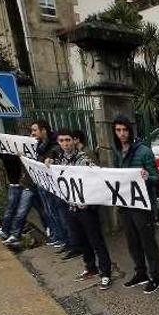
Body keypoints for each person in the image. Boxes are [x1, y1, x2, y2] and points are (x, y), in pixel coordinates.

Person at [49, 128, 113, 289]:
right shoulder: (59, 160)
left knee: (96, 241)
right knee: (82, 241)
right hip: (71, 208)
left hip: (87, 209)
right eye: (62, 141)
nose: (65, 144)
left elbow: (96, 179)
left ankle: (105, 273)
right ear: (58, 142)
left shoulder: (84, 159)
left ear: (74, 141)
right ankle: (91, 267)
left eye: (68, 140)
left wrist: (90, 200)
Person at [111, 116, 159, 294]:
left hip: (142, 205)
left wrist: (147, 177)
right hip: (125, 203)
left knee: (148, 242)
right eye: (118, 130)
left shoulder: (144, 151)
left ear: (130, 130)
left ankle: (155, 277)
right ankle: (140, 273)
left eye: (124, 130)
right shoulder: (116, 150)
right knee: (132, 242)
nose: (122, 134)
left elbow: (156, 177)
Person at [30, 120, 67, 249]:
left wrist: (49, 158)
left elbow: (56, 152)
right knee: (48, 211)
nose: (32, 133)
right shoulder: (38, 145)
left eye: (35, 130)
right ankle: (57, 236)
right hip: (42, 184)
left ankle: (64, 238)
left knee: (57, 211)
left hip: (52, 185)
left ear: (44, 130)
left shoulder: (54, 144)